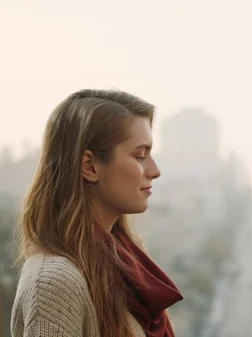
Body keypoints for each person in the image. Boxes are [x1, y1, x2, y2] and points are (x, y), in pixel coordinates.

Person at [10, 89, 184, 337]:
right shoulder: (53, 283)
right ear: (90, 166)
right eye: (140, 156)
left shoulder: (121, 261)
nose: (155, 170)